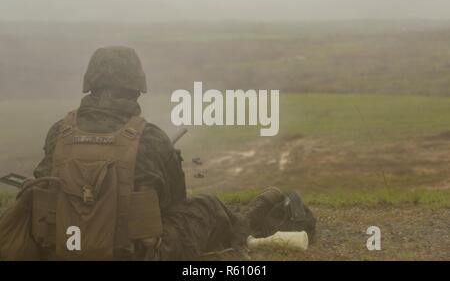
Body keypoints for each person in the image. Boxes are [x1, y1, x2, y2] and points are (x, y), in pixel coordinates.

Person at [0, 46, 315, 260]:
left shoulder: (59, 131)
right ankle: (254, 218)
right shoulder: (151, 137)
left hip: (57, 250)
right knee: (205, 207)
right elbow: (174, 205)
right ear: (136, 88)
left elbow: (44, 189)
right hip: (138, 255)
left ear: (90, 86)